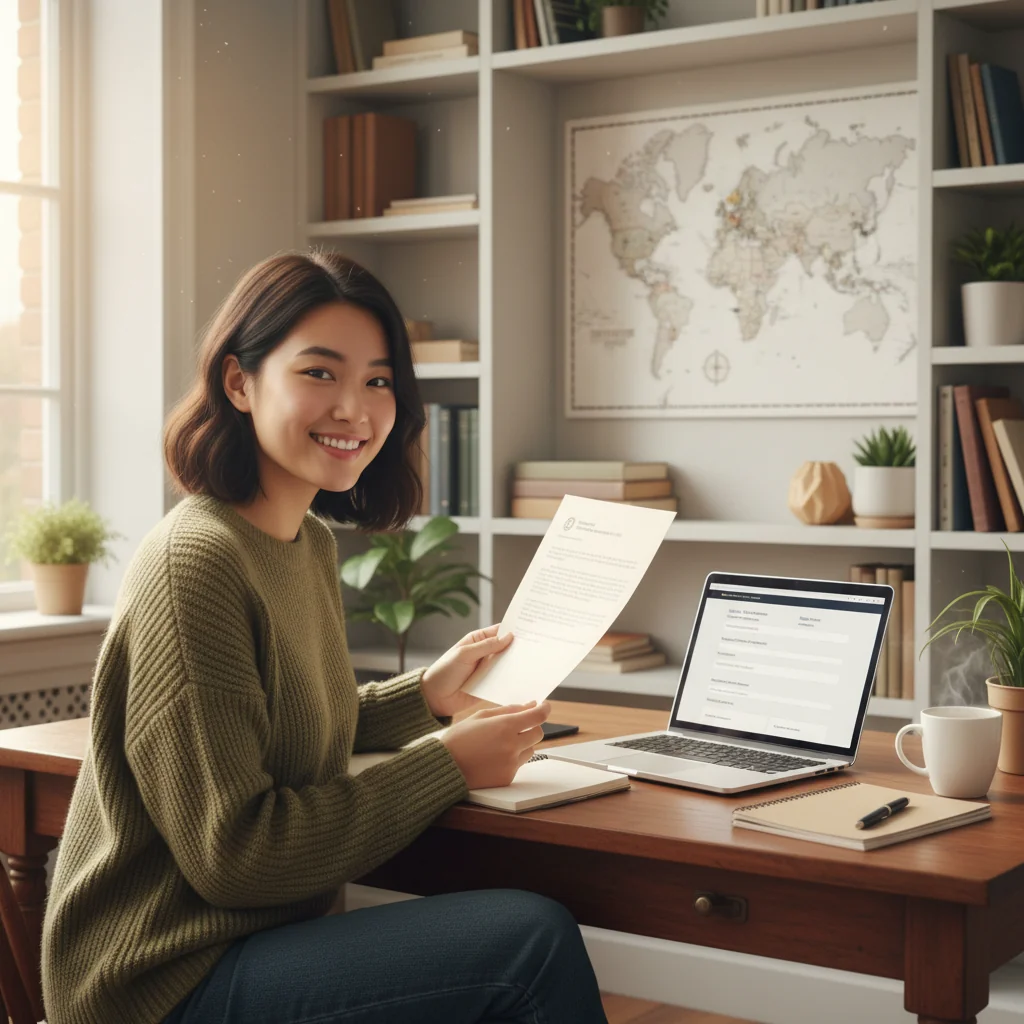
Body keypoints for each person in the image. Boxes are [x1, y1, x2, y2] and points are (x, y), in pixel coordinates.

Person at [40, 251, 609, 1024]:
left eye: (377, 381)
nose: (355, 409)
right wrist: (442, 765)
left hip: (254, 945)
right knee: (527, 941)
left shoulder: (302, 541)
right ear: (239, 383)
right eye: (319, 373)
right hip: (162, 983)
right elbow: (235, 856)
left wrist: (426, 697)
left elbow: (281, 729)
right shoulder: (196, 565)